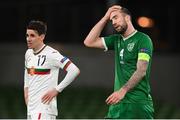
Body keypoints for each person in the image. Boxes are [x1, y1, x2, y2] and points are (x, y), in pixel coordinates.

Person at [84, 5, 154, 119]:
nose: (113, 22)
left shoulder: (143, 39)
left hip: (137, 104)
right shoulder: (116, 40)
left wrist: (123, 90)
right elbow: (89, 42)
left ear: (127, 18)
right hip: (117, 102)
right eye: (111, 20)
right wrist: (105, 18)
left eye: (116, 17)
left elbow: (141, 70)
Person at [24, 20, 80, 119]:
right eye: (27, 35)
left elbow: (74, 70)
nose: (28, 39)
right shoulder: (28, 53)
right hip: (31, 109)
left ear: (42, 37)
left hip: (44, 110)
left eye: (32, 35)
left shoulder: (51, 54)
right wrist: (26, 95)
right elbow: (27, 75)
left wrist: (57, 90)